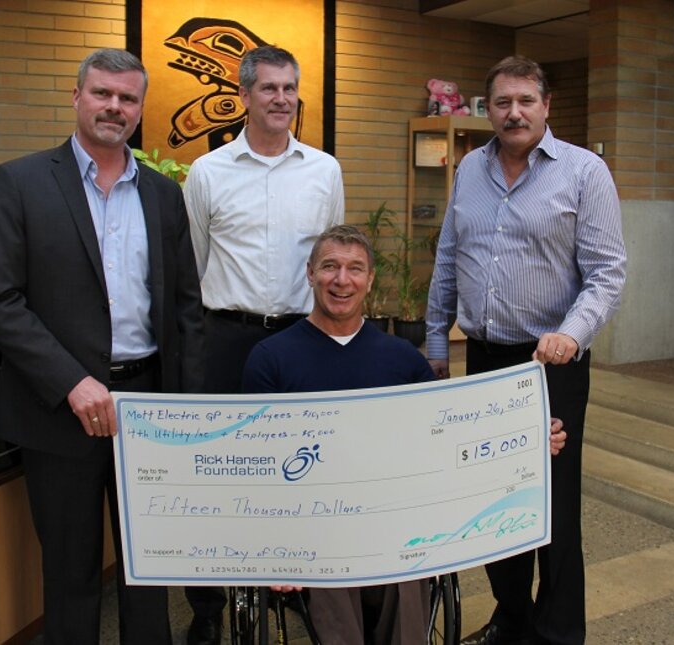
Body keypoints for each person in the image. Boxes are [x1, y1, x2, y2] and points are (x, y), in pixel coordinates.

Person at [243, 225, 568, 644]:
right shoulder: (271, 359)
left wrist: (525, 441)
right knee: (334, 564)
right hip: (315, 528)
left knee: (407, 562)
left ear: (370, 280)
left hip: (393, 524)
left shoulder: (401, 360)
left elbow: (451, 439)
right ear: (309, 273)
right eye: (330, 267)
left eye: (355, 269)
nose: (342, 280)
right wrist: (274, 549)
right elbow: (254, 467)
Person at [0, 49, 203, 645]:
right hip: (59, 410)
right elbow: (0, 301)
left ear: (140, 109)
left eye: (128, 99)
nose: (114, 107)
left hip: (147, 407)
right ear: (76, 97)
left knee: (148, 569)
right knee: (71, 574)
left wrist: (184, 409)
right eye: (102, 94)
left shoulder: (162, 193)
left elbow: (185, 306)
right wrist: (71, 381)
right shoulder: (20, 182)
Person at [426, 55, 626, 645]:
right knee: (494, 500)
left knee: (553, 507)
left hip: (551, 363)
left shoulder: (585, 172)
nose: (514, 113)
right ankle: (511, 618)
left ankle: (559, 633)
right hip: (484, 360)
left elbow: (608, 272)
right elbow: (447, 257)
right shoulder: (469, 170)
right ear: (487, 109)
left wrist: (574, 331)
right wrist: (438, 339)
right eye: (502, 103)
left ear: (546, 106)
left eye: (525, 101)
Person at [181, 44, 345, 642]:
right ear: (245, 96)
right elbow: (192, 267)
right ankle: (208, 608)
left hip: (301, 341)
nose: (281, 99)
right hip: (229, 338)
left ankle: (296, 583)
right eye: (269, 88)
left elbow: (333, 266)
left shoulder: (324, 170)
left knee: (299, 469)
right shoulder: (209, 173)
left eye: (290, 88)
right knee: (220, 473)